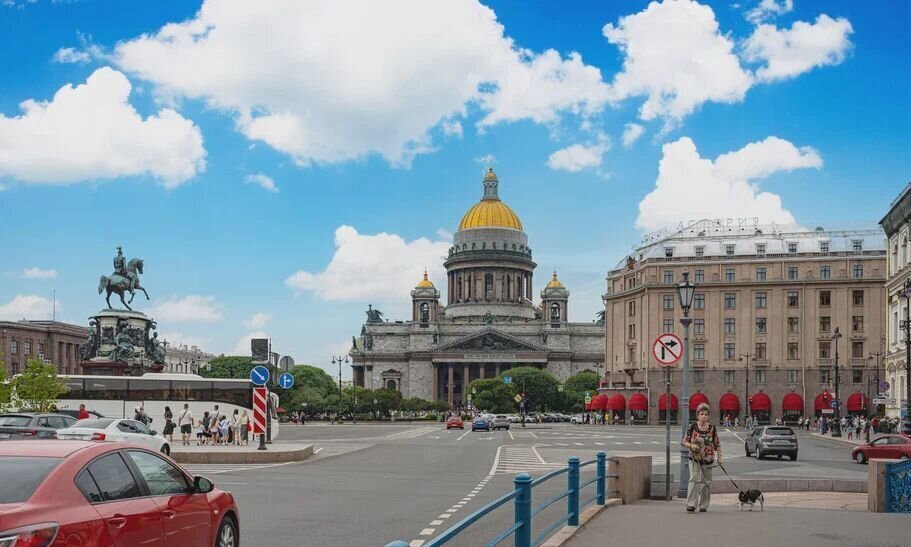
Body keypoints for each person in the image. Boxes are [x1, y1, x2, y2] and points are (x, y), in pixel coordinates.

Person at [682, 403, 722, 513]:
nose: (704, 416)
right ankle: (691, 504)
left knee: (706, 482)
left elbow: (717, 444)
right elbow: (684, 442)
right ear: (697, 415)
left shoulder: (712, 429)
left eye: (706, 414)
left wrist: (720, 457)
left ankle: (703, 505)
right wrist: (691, 445)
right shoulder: (692, 427)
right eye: (701, 414)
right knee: (694, 479)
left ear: (708, 416)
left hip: (708, 459)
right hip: (694, 458)